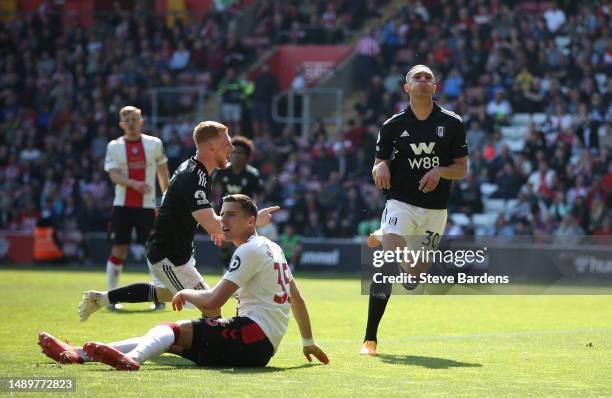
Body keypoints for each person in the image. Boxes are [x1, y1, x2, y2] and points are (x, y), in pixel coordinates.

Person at [39, 195, 329, 369]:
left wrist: (186, 293)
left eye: (231, 215)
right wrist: (308, 342)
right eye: (222, 213)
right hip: (258, 345)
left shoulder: (249, 249)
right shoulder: (272, 247)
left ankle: (134, 360)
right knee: (165, 341)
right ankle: (78, 354)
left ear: (251, 222)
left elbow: (214, 301)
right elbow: (298, 300)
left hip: (252, 336)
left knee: (167, 328)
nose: (223, 220)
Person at [79, 121, 279, 321]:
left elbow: (196, 213)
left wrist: (214, 224)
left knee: (164, 293)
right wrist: (253, 221)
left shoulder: (195, 169)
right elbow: (211, 222)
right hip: (170, 257)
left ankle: (102, 299)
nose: (232, 149)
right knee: (212, 305)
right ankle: (204, 349)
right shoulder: (194, 177)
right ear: (211, 147)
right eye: (226, 144)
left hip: (171, 252)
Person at [362, 65, 468, 356]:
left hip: (435, 210)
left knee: (412, 278)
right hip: (401, 201)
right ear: (406, 87)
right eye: (417, 77)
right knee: (386, 263)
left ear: (435, 87)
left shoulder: (453, 122)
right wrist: (381, 165)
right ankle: (370, 339)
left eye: (428, 78)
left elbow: (462, 169)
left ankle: (388, 240)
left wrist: (439, 171)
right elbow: (377, 164)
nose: (423, 81)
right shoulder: (392, 126)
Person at [104, 106, 170, 310]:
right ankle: (111, 298)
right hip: (122, 206)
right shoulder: (114, 146)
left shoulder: (154, 144)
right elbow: (113, 175)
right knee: (119, 249)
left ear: (141, 122)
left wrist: (167, 197)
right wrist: (135, 184)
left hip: (147, 206)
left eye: (135, 119)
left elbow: (162, 172)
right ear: (121, 124)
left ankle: (158, 298)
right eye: (127, 120)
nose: (131, 123)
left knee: (152, 250)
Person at [212, 136, 263, 267]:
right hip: (225, 213)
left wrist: (255, 212)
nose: (236, 155)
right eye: (234, 152)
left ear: (247, 156)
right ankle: (227, 270)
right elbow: (212, 190)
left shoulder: (252, 175)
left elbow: (259, 194)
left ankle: (243, 271)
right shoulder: (221, 171)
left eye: (240, 153)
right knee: (224, 243)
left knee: (244, 245)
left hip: (244, 215)